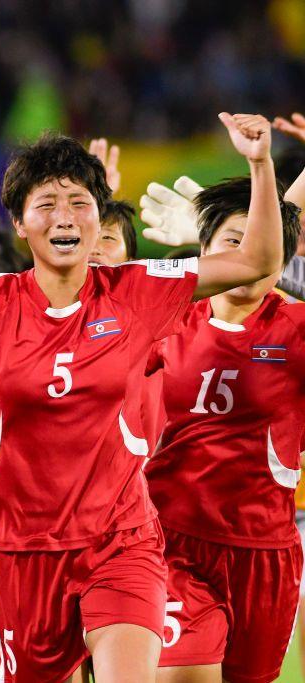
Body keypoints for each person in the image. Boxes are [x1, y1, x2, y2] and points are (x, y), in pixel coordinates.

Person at [0, 111, 285, 682]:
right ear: (20, 225)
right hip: (23, 552)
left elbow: (256, 261)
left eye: (78, 202)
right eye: (45, 204)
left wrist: (260, 163)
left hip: (121, 543)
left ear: (99, 219)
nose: (64, 216)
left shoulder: (138, 291)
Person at [144, 176, 303, 683]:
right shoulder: (160, 320)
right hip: (170, 543)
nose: (244, 254)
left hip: (265, 554)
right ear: (203, 247)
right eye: (229, 241)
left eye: (255, 243)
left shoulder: (297, 329)